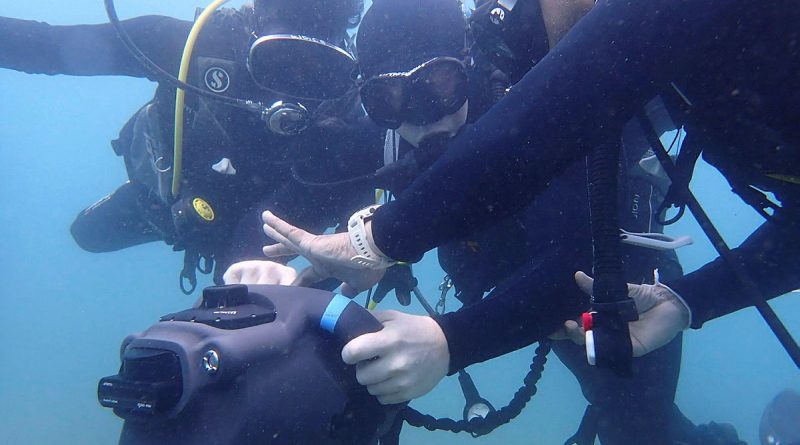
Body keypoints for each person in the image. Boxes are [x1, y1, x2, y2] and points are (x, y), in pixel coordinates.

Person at [261, 1, 744, 443]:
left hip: (626, 304)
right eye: (390, 97)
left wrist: (449, 339)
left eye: (440, 84)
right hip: (521, 307)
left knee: (640, 429)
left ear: (469, 66)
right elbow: (284, 211)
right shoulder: (383, 142)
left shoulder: (538, 116)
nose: (424, 116)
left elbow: (583, 257)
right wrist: (263, 272)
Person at [0, 0, 383, 291]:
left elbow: (368, 204)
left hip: (276, 223)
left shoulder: (351, 95)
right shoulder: (201, 46)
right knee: (87, 235)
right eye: (277, 60)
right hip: (175, 201)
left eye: (317, 72)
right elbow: (51, 48)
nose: (291, 87)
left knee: (251, 305)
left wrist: (379, 252)